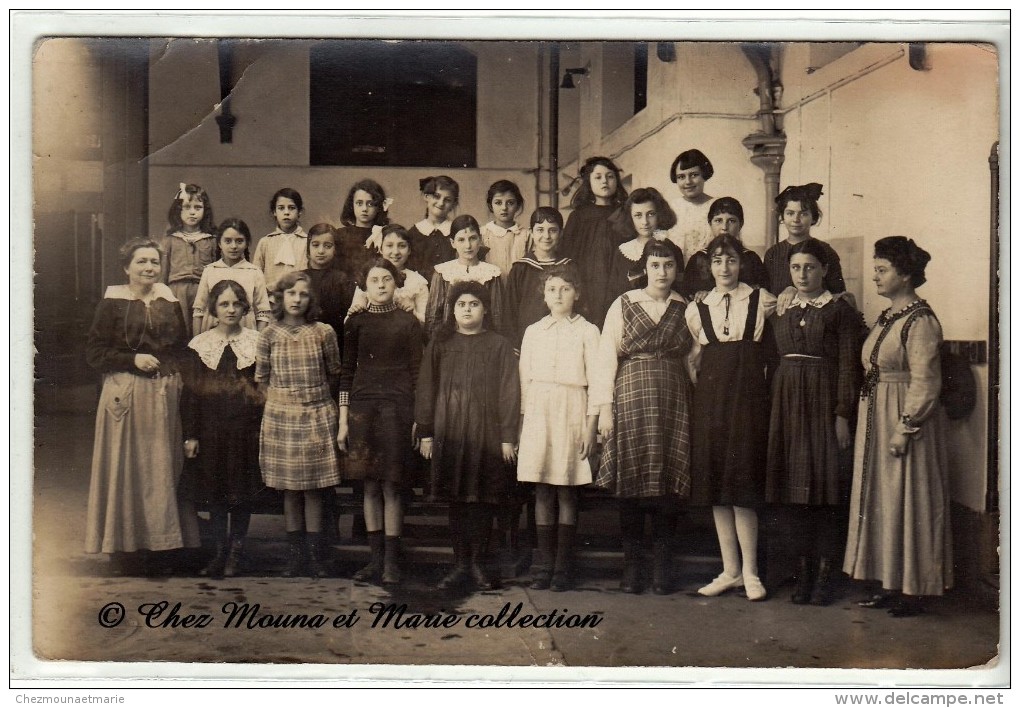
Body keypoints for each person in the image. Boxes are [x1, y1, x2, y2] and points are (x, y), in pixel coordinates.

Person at [844, 236, 952, 617]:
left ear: (905, 275)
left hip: (905, 421)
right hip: (877, 412)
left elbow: (925, 381)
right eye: (875, 269)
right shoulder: (890, 316)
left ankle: (915, 589)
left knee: (909, 500)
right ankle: (889, 582)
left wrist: (905, 428)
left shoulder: (920, 320)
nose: (875, 277)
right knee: (884, 501)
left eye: (882, 270)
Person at [85, 238, 201, 574]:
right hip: (125, 392)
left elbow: (181, 347)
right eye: (142, 262)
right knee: (127, 468)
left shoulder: (168, 299)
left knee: (162, 469)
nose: (149, 268)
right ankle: (125, 548)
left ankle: (162, 548)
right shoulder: (112, 301)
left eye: (154, 262)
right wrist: (132, 358)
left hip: (164, 393)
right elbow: (94, 354)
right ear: (127, 267)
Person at [592, 240, 695, 595]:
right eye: (655, 265)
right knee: (631, 480)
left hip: (673, 398)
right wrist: (605, 407)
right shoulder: (624, 303)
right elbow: (606, 356)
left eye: (668, 265)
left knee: (669, 481)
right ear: (645, 268)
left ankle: (663, 568)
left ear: (677, 270)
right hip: (632, 394)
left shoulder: (687, 307)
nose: (662, 272)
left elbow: (693, 360)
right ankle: (633, 566)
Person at [765, 240, 864, 605]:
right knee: (794, 491)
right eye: (795, 268)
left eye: (809, 267)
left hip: (823, 401)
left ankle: (825, 575)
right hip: (788, 401)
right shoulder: (782, 308)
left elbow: (848, 367)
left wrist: (841, 414)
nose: (802, 274)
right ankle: (802, 573)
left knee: (825, 488)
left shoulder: (840, 311)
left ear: (824, 269)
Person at [685, 233, 777, 602]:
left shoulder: (762, 301)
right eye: (718, 261)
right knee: (716, 489)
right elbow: (694, 359)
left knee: (743, 487)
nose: (725, 268)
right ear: (709, 266)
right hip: (712, 399)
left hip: (749, 398)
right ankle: (730, 570)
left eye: (732, 261)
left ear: (742, 263)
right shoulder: (697, 308)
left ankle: (751, 573)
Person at [416, 281, 520, 592]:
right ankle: (459, 563)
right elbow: (426, 388)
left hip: (486, 433)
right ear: (452, 309)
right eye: (461, 304)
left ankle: (478, 563)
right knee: (457, 499)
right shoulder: (441, 343)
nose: (467, 309)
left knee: (482, 498)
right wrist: (426, 433)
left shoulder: (499, 345)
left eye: (474, 304)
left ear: (485, 309)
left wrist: (507, 437)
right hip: (450, 430)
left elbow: (509, 392)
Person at [336, 258, 424, 588]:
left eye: (387, 279)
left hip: (397, 410)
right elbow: (346, 374)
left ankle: (391, 561)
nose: (382, 285)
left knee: (391, 485)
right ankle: (374, 560)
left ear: (396, 282)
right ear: (365, 285)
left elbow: (418, 375)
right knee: (369, 485)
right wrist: (343, 421)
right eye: (375, 280)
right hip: (362, 410)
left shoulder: (408, 323)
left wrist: (418, 419)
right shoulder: (355, 323)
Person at [517, 265, 600, 592]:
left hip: (571, 408)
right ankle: (544, 563)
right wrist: (523, 425)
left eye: (566, 289)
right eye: (552, 289)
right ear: (544, 294)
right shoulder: (534, 331)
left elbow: (596, 382)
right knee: (541, 488)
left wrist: (591, 427)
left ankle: (564, 566)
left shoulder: (588, 331)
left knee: (566, 487)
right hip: (540, 409)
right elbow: (524, 382)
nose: (559, 295)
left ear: (576, 293)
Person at [255, 271, 342, 578]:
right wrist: (284, 403)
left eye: (303, 294)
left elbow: (334, 373)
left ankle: (317, 558)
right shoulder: (268, 334)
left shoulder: (323, 332)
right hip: (282, 416)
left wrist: (314, 402)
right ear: (280, 298)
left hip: (316, 414)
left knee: (314, 489)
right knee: (290, 490)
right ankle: (295, 557)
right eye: (291, 293)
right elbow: (262, 378)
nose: (296, 299)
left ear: (311, 299)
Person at [182, 280, 265, 578]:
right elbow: (190, 395)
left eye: (236, 304)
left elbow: (263, 389)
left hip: (245, 431)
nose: (230, 310)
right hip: (211, 431)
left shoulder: (257, 342)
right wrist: (191, 434)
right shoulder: (200, 345)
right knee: (216, 494)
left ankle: (236, 553)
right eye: (224, 304)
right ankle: (219, 552)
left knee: (240, 493)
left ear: (245, 307)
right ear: (214, 309)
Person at [561, 156, 629, 326]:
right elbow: (567, 255)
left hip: (618, 282)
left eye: (610, 176)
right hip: (588, 286)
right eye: (598, 177)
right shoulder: (579, 216)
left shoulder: (626, 213)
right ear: (588, 182)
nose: (604, 181)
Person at [764, 183, 848, 314]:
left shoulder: (826, 251)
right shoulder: (772, 253)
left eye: (803, 214)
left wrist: (796, 291)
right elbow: (767, 295)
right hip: (780, 323)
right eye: (790, 213)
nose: (796, 220)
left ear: (813, 217)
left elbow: (837, 295)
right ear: (782, 216)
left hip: (816, 321)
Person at [424, 214, 506, 342]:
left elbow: (497, 315)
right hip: (449, 342)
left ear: (480, 240)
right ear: (453, 243)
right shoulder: (443, 272)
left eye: (472, 238)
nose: (468, 245)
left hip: (483, 341)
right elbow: (433, 316)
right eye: (461, 240)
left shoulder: (492, 273)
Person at [504, 207, 575, 353]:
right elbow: (509, 312)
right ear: (531, 232)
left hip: (562, 342)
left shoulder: (569, 266)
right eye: (540, 230)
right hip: (529, 344)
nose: (546, 236)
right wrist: (515, 346)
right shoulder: (520, 268)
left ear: (561, 233)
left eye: (552, 230)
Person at [192, 218, 271, 335]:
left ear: (247, 243)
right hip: (213, 331)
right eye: (228, 241)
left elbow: (263, 312)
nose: (234, 246)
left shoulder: (254, 272)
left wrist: (257, 342)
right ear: (219, 243)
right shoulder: (210, 270)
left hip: (246, 331)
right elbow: (199, 310)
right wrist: (197, 342)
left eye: (239, 241)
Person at [680, 197, 769, 299]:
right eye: (718, 220)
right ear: (710, 224)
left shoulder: (751, 258)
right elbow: (688, 292)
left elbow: (763, 289)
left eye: (731, 221)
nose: (724, 227)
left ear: (741, 224)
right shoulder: (698, 259)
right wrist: (700, 294)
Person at [606, 187, 682, 306]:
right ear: (630, 218)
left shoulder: (672, 250)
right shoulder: (623, 251)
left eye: (651, 214)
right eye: (638, 215)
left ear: (660, 214)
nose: (645, 222)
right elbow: (614, 294)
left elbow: (679, 291)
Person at [159, 183, 217, 336]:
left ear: (205, 210)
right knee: (177, 331)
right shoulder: (170, 239)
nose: (192, 212)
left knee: (201, 332)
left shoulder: (211, 239)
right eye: (187, 207)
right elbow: (163, 271)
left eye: (198, 207)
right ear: (178, 210)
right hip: (176, 291)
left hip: (203, 291)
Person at [347, 224, 429, 324]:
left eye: (402, 246)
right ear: (380, 248)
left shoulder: (418, 282)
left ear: (409, 250)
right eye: (389, 246)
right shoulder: (369, 276)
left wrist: (413, 313)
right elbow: (348, 321)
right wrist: (357, 310)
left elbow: (428, 324)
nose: (395, 252)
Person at [302, 223, 356, 357]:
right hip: (305, 343)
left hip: (335, 343)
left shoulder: (342, 279)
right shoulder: (300, 278)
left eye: (327, 246)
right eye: (315, 245)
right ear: (308, 249)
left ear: (335, 249)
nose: (321, 251)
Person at [253, 187, 308, 293]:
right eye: (281, 208)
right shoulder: (265, 242)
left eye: (291, 208)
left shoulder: (306, 242)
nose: (286, 212)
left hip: (297, 298)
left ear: (299, 212)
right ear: (274, 212)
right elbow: (256, 276)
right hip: (270, 300)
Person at [336, 179, 392, 277]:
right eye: (359, 203)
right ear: (351, 206)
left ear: (379, 206)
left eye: (370, 204)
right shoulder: (340, 235)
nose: (364, 209)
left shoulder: (384, 235)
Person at [666, 149, 715, 258]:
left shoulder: (718, 206)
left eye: (694, 175)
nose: (688, 182)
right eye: (681, 177)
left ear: (704, 175)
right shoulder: (670, 208)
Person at [407, 175, 459, 275]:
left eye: (447, 200)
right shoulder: (413, 233)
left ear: (454, 204)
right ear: (426, 196)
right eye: (437, 196)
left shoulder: (456, 232)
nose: (441, 203)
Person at [479, 179, 528, 279]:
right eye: (498, 203)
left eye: (510, 203)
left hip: (518, 290)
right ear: (490, 205)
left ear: (517, 205)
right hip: (490, 289)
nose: (504, 208)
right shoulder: (482, 234)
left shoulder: (526, 235)